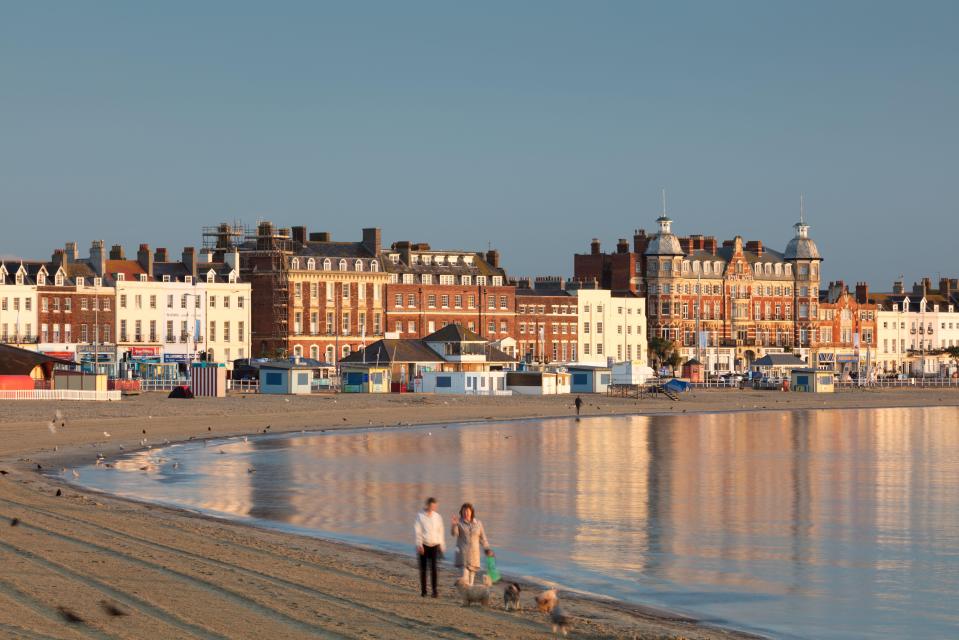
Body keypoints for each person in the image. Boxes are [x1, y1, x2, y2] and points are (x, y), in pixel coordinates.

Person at [451, 502, 492, 585]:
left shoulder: (478, 523)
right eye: (464, 511)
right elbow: (454, 534)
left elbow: (483, 538)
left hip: (474, 555)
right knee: (465, 579)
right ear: (461, 512)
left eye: (467, 511)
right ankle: (465, 594)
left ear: (471, 512)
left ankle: (469, 596)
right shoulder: (459, 523)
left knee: (471, 582)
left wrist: (487, 549)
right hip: (463, 554)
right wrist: (454, 525)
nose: (466, 513)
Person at [414, 497, 445, 597]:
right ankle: (423, 591)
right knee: (423, 569)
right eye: (432, 506)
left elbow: (440, 532)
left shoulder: (438, 517)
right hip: (423, 546)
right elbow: (417, 531)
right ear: (427, 505)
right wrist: (419, 544)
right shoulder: (420, 516)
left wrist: (441, 545)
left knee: (434, 569)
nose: (433, 508)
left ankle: (434, 591)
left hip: (434, 545)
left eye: (435, 506)